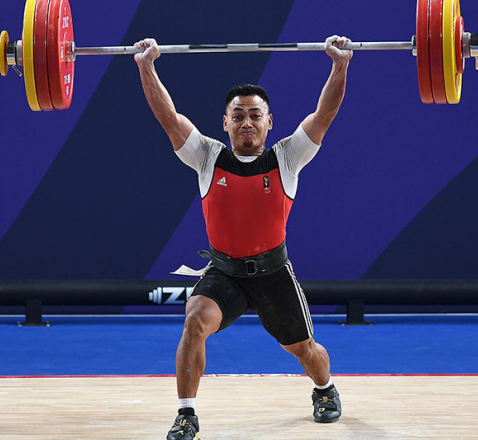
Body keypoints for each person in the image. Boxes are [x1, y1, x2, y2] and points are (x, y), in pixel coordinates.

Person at [134, 35, 353, 440]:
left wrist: (339, 66)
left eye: (255, 115)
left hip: (274, 275)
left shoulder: (286, 157)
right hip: (224, 273)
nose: (247, 122)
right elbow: (168, 115)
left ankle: (324, 389)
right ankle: (186, 414)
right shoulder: (206, 156)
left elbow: (325, 113)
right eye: (238, 116)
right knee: (195, 321)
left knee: (305, 351)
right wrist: (147, 67)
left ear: (270, 121)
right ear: (225, 123)